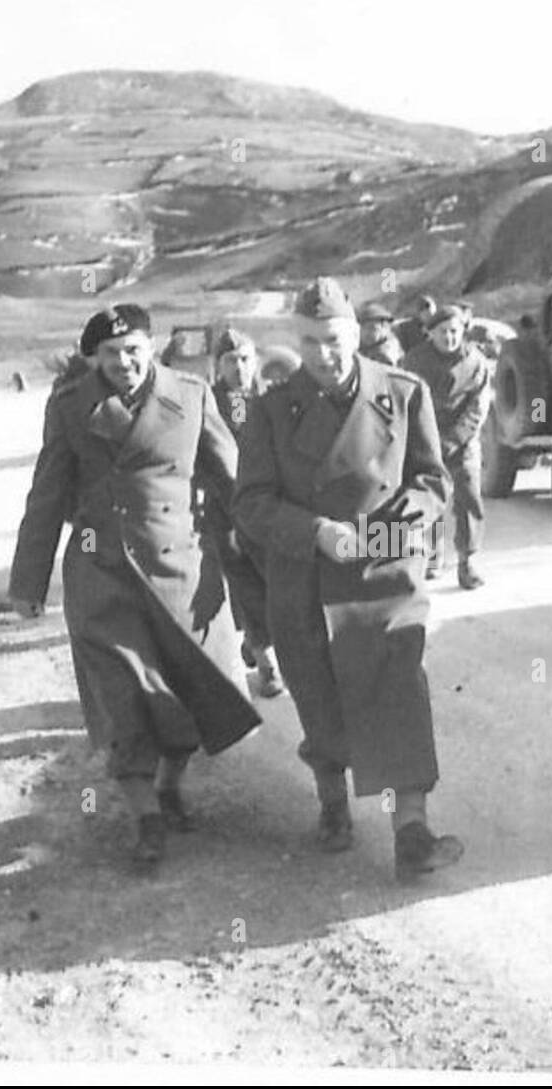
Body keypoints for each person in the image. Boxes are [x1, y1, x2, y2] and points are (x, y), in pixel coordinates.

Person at [9, 305, 261, 865]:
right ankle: (146, 816)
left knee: (193, 690)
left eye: (133, 350)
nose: (123, 363)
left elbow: (234, 480)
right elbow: (48, 490)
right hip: (102, 575)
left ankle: (171, 783)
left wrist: (263, 543)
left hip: (181, 570)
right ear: (92, 358)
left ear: (151, 347)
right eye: (109, 354)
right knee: (123, 698)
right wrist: (29, 580)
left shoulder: (193, 395)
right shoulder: (72, 406)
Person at [233, 277, 463, 882]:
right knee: (322, 698)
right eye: (309, 343)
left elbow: (434, 482)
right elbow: (250, 503)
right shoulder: (272, 410)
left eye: (333, 340)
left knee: (398, 692)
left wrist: (400, 525)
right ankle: (333, 803)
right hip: (308, 581)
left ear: (355, 334)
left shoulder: (404, 394)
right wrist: (314, 531)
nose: (323, 355)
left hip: (386, 573)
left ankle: (411, 829)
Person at [205, 328, 285, 697]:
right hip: (227, 512)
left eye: (245, 359)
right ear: (217, 366)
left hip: (271, 510)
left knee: (276, 583)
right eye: (230, 361)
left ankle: (256, 642)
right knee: (247, 585)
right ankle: (268, 664)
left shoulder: (273, 399)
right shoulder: (208, 404)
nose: (239, 367)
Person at [402, 302, 491, 589]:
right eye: (442, 332)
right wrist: (425, 441)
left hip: (463, 443)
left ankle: (469, 560)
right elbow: (407, 402)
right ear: (430, 333)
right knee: (429, 499)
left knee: (468, 499)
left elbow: (478, 407)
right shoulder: (414, 362)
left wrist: (454, 440)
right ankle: (432, 554)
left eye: (454, 331)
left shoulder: (476, 362)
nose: (449, 338)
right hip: (427, 441)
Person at [357, 301, 403, 367]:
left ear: (385, 328)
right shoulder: (363, 348)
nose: (366, 333)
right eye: (363, 328)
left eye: (372, 328)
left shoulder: (385, 355)